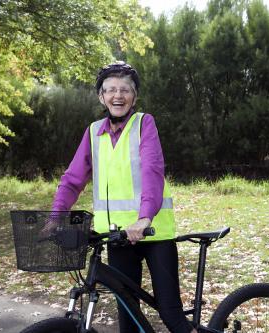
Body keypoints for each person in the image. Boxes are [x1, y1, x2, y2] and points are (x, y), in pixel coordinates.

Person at [52, 61, 195, 333]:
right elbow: (73, 179)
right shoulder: (94, 132)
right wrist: (56, 216)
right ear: (101, 96)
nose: (118, 96)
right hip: (118, 238)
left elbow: (152, 170)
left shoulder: (144, 123)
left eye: (125, 90)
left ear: (134, 96)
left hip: (154, 233)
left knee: (170, 314)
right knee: (128, 317)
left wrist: (144, 218)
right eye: (111, 90)